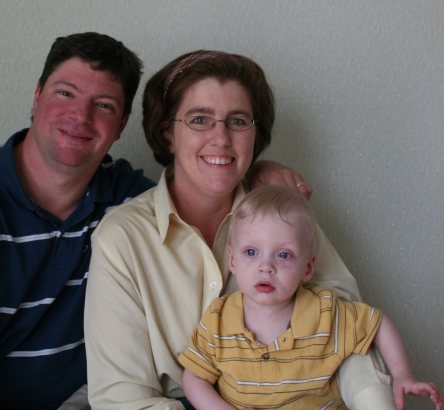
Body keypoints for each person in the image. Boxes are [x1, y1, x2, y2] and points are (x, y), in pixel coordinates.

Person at [0, 33, 306, 410]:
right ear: (37, 96)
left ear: (122, 124)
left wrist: (256, 173)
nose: (80, 116)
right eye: (65, 93)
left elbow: (202, 181)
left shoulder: (130, 203)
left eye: (104, 105)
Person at [84, 50, 397, 410]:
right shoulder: (122, 239)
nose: (221, 137)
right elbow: (122, 400)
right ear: (168, 133)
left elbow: (350, 334)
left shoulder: (284, 215)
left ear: (255, 134)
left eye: (237, 121)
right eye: (200, 119)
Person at [178, 185, 443, 410]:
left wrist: (402, 374)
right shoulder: (219, 318)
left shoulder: (325, 312)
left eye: (284, 255)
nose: (266, 267)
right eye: (251, 252)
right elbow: (194, 378)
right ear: (233, 260)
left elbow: (378, 324)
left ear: (307, 267)